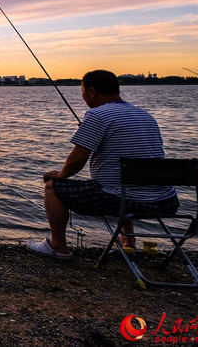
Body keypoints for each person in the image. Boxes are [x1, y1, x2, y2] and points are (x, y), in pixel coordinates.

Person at [27, 70, 178, 259]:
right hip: (165, 201)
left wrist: (61, 175)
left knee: (52, 187)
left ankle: (57, 246)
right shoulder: (145, 115)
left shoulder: (97, 115)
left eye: (82, 91)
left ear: (91, 91)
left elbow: (76, 160)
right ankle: (128, 242)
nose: (82, 96)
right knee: (123, 183)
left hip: (121, 200)